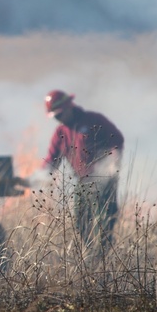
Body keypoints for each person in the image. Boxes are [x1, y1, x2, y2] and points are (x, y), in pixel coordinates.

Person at [39, 89, 124, 253]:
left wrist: (112, 162)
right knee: (80, 220)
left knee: (105, 219)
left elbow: (117, 139)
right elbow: (52, 160)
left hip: (104, 178)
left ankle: (104, 255)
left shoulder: (94, 120)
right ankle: (92, 252)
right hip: (82, 181)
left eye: (60, 114)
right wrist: (36, 178)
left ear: (69, 106)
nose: (58, 118)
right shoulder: (61, 132)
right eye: (55, 116)